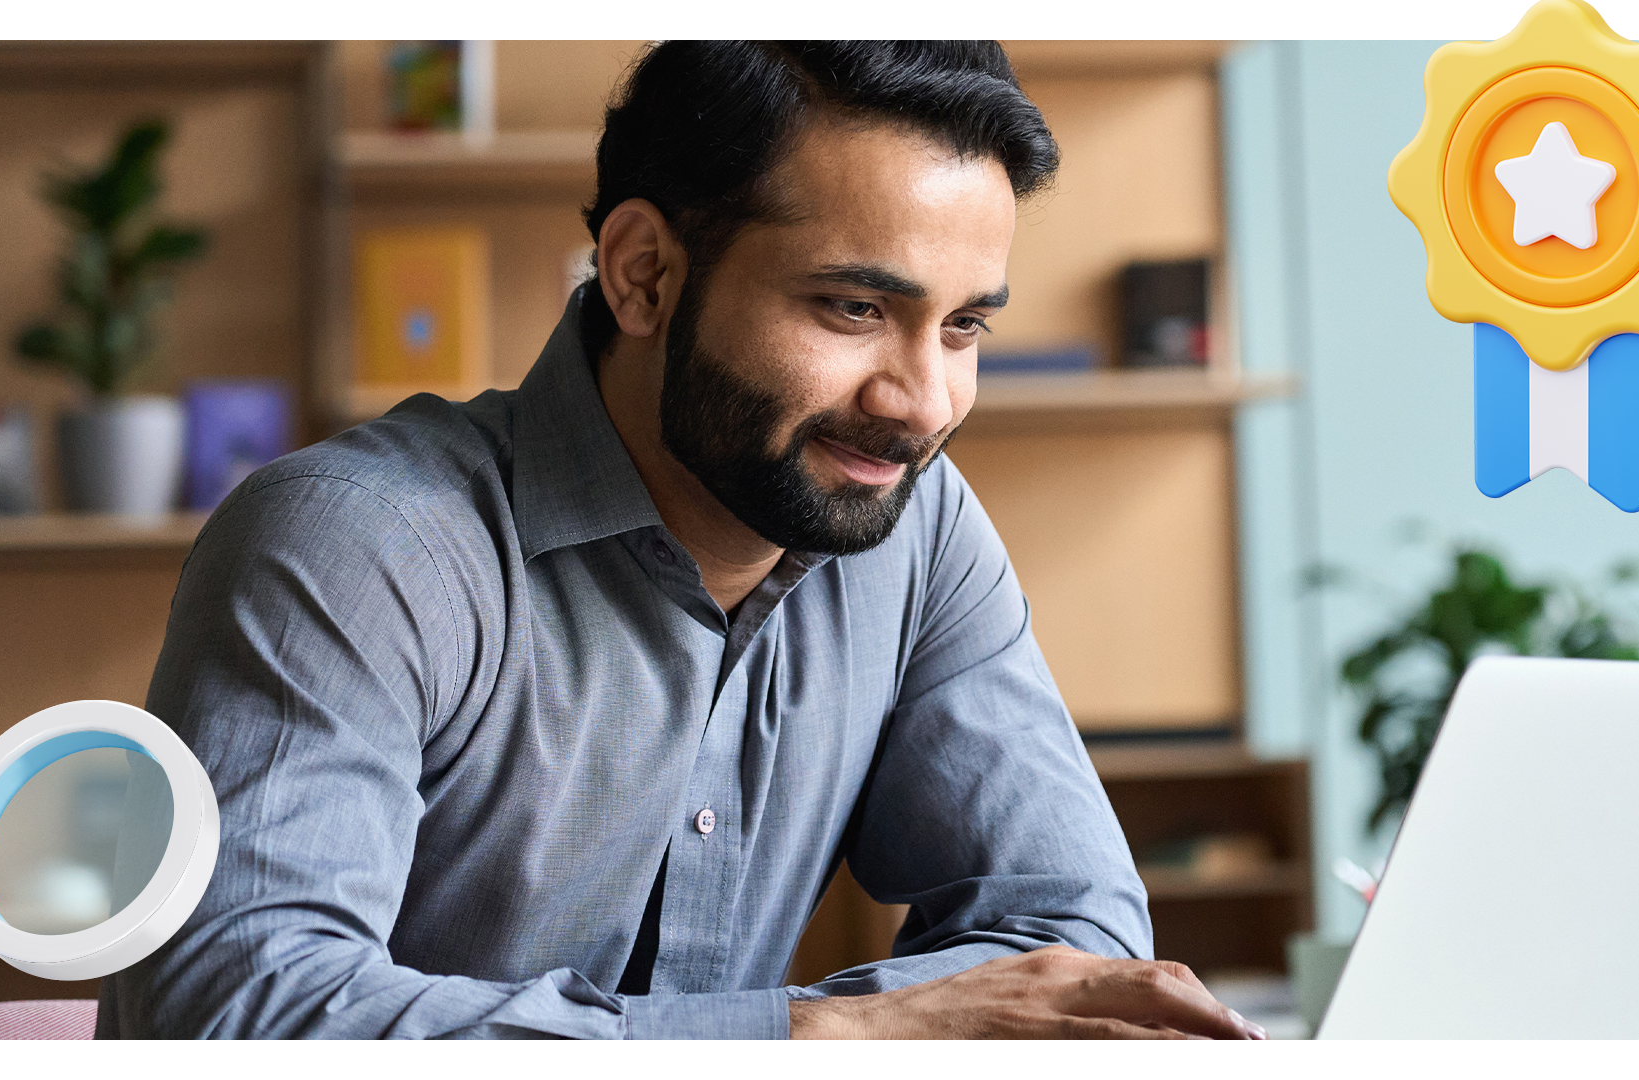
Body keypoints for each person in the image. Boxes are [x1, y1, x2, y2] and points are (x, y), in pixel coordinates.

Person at [98, 40, 1267, 1041]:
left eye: (961, 326)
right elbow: (235, 1015)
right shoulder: (362, 543)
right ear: (644, 272)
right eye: (855, 309)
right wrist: (820, 1035)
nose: (921, 401)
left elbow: (1073, 933)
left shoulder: (918, 530)